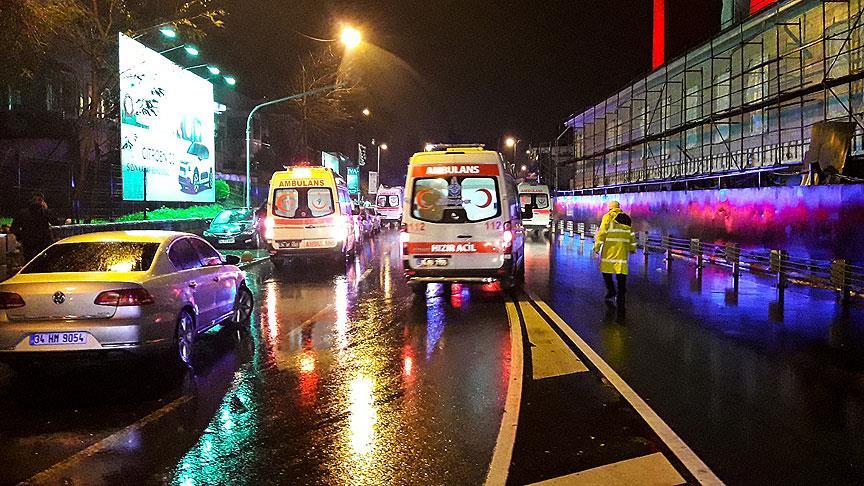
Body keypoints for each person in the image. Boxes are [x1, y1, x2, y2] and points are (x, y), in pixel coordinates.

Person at [593, 200, 637, 301]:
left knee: (606, 270)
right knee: (621, 271)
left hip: (610, 249)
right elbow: (631, 234)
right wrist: (632, 247)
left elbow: (602, 233)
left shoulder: (608, 217)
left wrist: (597, 247)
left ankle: (611, 290)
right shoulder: (626, 218)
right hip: (622, 250)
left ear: (610, 208)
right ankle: (621, 293)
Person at [11, 193, 56, 262]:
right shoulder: (24, 213)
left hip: (37, 244)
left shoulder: (44, 213)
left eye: (39, 200)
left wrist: (22, 237)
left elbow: (14, 228)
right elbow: (14, 228)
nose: (38, 202)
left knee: (33, 264)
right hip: (36, 244)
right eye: (36, 200)